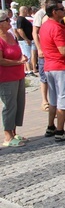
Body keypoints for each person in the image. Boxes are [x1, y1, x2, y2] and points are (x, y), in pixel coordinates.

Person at [39, 0, 65, 141]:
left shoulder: (45, 26)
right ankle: (60, 131)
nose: (64, 11)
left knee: (53, 100)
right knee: (63, 100)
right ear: (54, 12)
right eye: (61, 9)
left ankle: (51, 127)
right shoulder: (56, 27)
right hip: (60, 67)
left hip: (50, 66)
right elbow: (63, 51)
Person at [0, 10, 28, 147]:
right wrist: (18, 62)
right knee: (9, 106)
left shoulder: (11, 35)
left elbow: (16, 52)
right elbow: (1, 60)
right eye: (5, 20)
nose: (9, 21)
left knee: (19, 104)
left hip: (18, 74)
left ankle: (14, 132)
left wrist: (23, 58)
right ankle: (7, 136)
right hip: (6, 78)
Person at [32, 0, 62, 112]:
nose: (59, 3)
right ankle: (45, 100)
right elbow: (35, 32)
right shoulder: (41, 14)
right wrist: (39, 48)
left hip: (55, 49)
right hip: (44, 48)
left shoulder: (58, 13)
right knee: (44, 76)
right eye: (56, 1)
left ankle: (58, 103)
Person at [15, 6, 37, 76]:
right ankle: (29, 71)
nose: (27, 11)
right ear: (24, 10)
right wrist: (26, 39)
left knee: (28, 55)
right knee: (27, 55)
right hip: (24, 40)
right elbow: (19, 30)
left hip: (27, 39)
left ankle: (27, 69)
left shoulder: (23, 19)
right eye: (26, 10)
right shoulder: (20, 19)